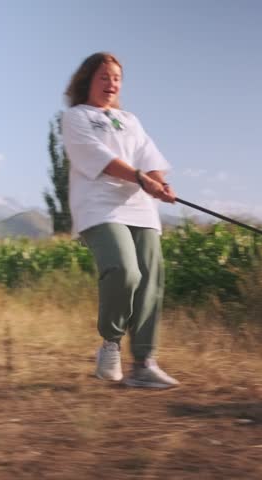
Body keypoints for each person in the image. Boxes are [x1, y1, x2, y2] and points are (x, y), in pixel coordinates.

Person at [61, 52, 178, 388]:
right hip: (99, 207)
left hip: (140, 208)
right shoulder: (76, 117)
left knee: (150, 282)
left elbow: (148, 157)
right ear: (87, 80)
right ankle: (110, 344)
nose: (111, 83)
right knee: (124, 270)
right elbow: (101, 159)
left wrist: (159, 183)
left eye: (116, 78)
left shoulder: (130, 119)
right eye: (103, 76)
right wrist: (143, 178)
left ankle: (143, 365)